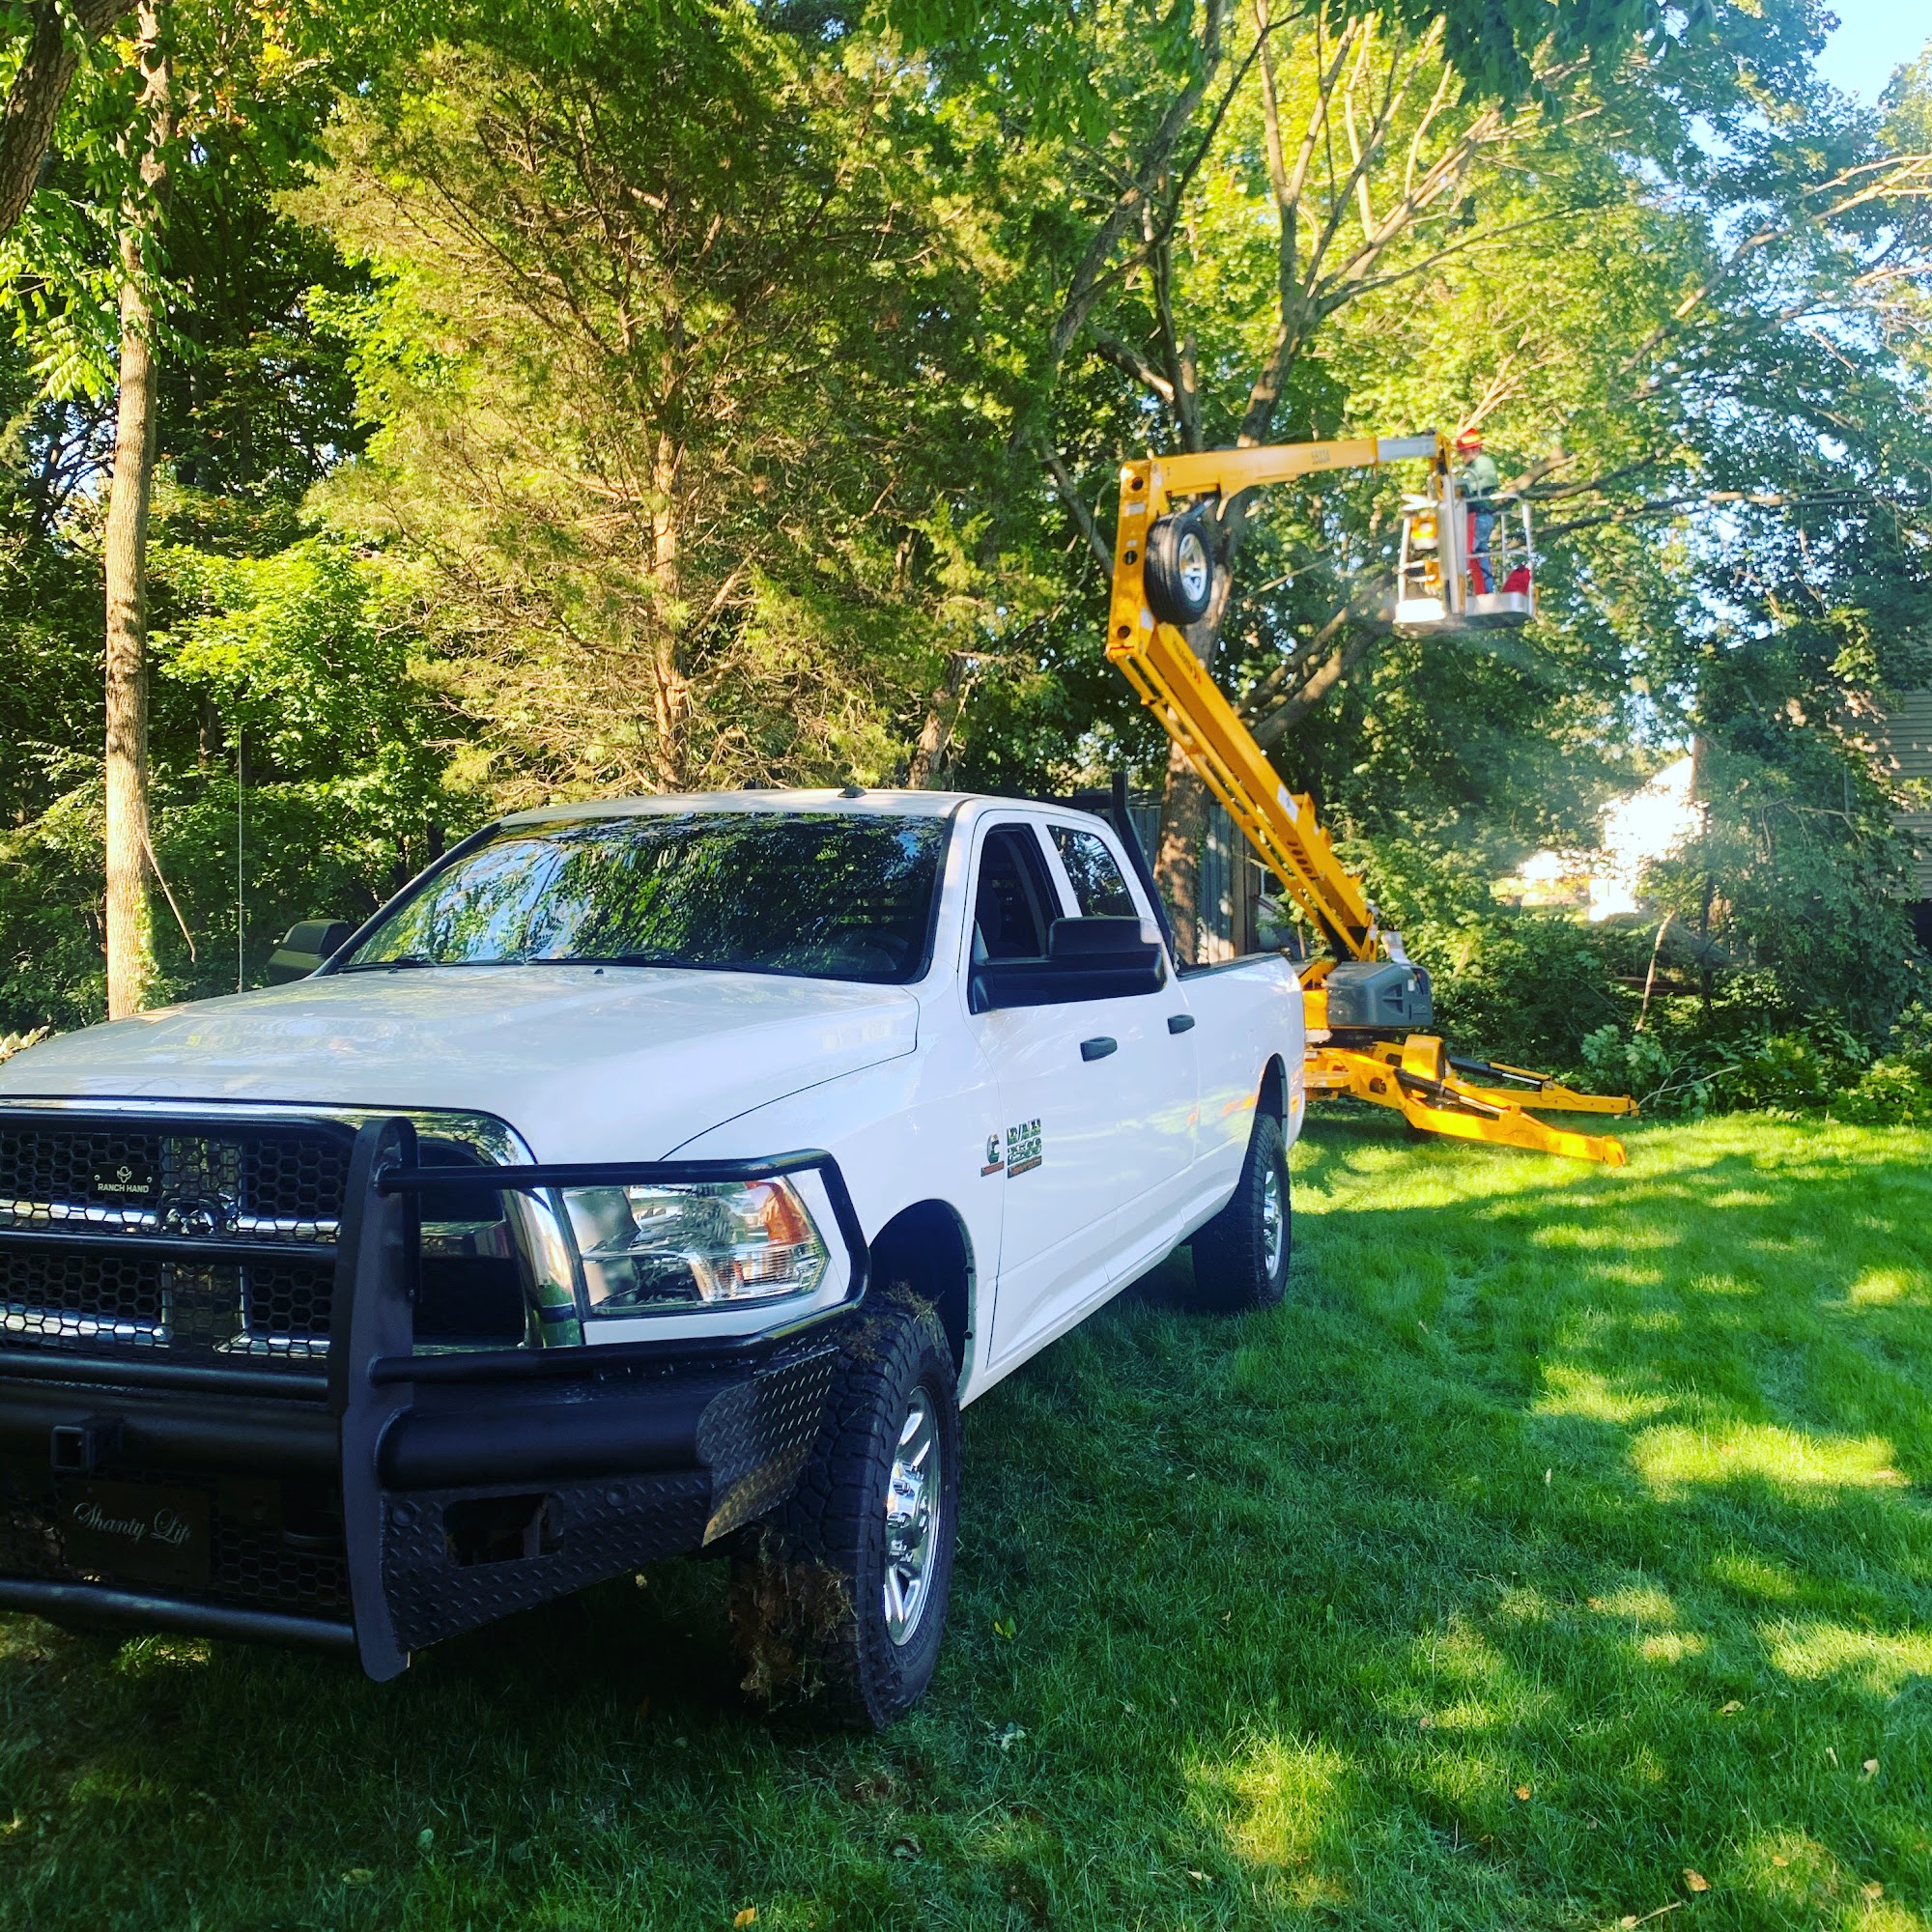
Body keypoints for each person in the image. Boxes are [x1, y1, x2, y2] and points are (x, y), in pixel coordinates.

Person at [1456, 432, 1499, 592]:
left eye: (1465, 453)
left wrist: (1468, 489)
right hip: (1480, 517)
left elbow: (1490, 480)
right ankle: (1487, 591)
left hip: (1478, 517)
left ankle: (1456, 590)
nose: (1463, 457)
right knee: (1480, 555)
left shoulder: (1482, 462)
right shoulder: (1471, 468)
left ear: (1474, 450)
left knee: (1462, 554)